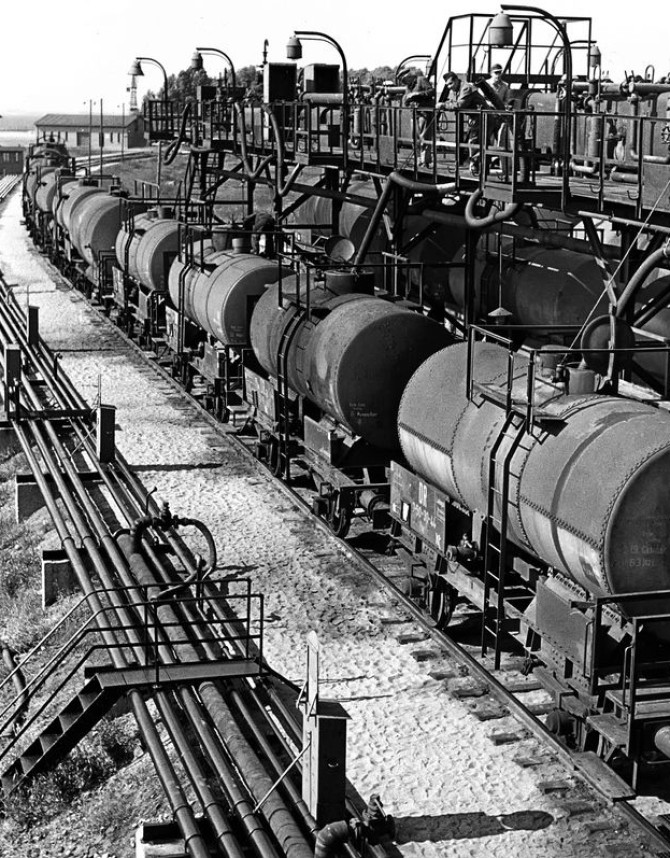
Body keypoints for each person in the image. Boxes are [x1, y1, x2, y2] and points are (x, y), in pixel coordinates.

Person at [439, 71, 487, 174]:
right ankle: (478, 166)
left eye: (451, 83)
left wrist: (443, 105)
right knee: (476, 141)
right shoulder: (457, 89)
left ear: (456, 80)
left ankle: (475, 167)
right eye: (447, 85)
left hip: (483, 116)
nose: (449, 87)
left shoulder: (465, 88)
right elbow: (454, 102)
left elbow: (459, 105)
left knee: (474, 141)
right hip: (476, 117)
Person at [403, 71, 435, 165]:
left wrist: (418, 94)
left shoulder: (421, 80)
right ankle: (417, 159)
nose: (405, 82)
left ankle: (425, 160)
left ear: (410, 76)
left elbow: (431, 91)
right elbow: (405, 100)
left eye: (405, 79)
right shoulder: (408, 87)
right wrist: (407, 99)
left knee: (424, 137)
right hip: (414, 113)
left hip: (424, 112)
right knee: (415, 138)